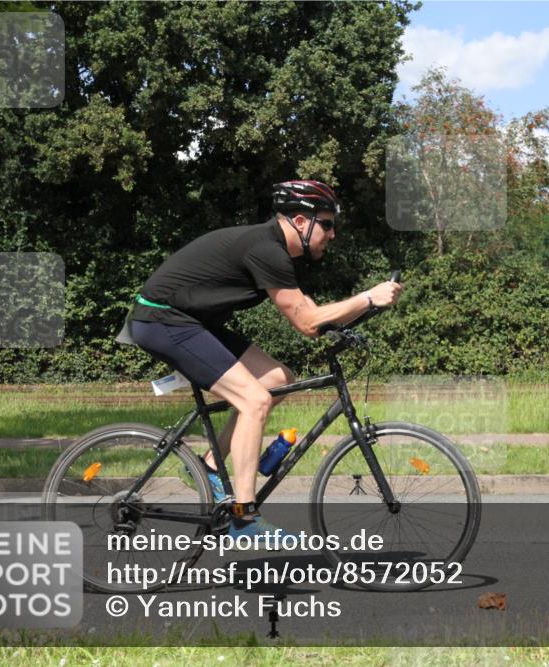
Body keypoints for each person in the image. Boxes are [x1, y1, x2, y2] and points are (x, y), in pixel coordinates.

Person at [128, 180, 402, 540]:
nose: (333, 234)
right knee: (254, 400)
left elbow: (314, 317)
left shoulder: (280, 252)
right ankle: (243, 518)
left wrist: (352, 319)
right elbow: (307, 322)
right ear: (301, 222)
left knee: (276, 377)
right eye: (328, 223)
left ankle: (210, 466)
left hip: (191, 321)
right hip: (161, 320)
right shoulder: (267, 249)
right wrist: (369, 297)